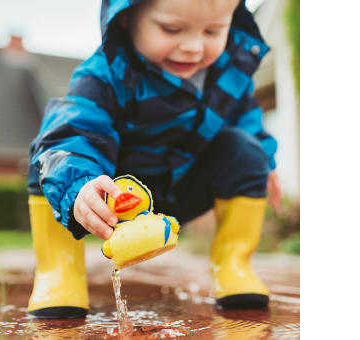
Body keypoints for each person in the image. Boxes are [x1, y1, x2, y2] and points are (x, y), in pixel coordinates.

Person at [26, 0, 282, 318]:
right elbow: (74, 130)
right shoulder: (105, 75)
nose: (192, 47)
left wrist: (263, 163)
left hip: (183, 190)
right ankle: (59, 273)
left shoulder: (229, 73)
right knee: (54, 158)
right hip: (118, 198)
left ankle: (233, 265)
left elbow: (245, 119)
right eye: (171, 29)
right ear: (126, 18)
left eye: (213, 30)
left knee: (244, 147)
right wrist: (80, 186)